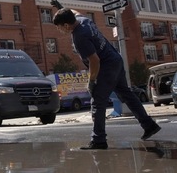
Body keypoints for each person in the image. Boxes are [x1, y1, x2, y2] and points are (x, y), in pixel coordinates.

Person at [53, 8, 160, 149]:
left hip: (105, 66)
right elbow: (76, 12)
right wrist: (62, 8)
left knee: (97, 102)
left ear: (66, 25)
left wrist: (91, 81)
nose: (60, 30)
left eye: (60, 27)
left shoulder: (79, 36)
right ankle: (149, 125)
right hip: (116, 59)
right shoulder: (83, 20)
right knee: (127, 94)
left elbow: (94, 61)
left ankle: (98, 140)